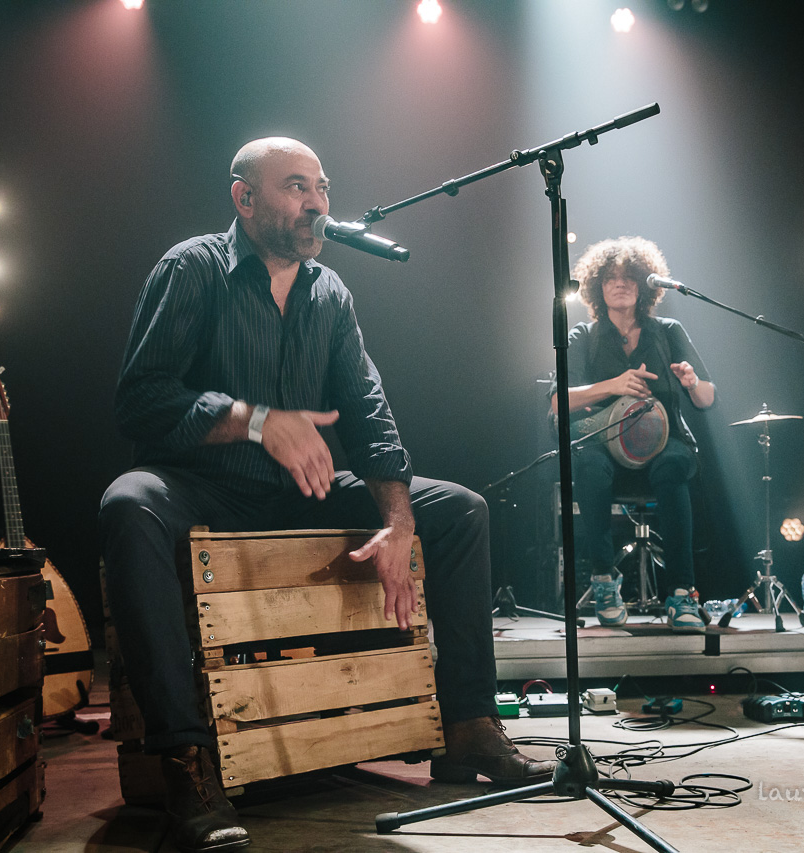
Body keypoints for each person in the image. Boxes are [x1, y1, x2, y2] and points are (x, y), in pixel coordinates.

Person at [100, 137, 555, 853]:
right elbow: (140, 402)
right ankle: (186, 763)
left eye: (322, 188)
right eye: (295, 187)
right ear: (244, 198)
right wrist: (254, 420)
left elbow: (370, 416)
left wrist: (398, 521)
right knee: (127, 504)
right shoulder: (192, 268)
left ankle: (468, 726)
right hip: (200, 488)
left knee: (460, 510)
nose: (316, 203)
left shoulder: (330, 292)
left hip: (294, 493)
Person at [553, 236, 716, 633]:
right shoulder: (583, 336)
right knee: (587, 464)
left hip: (663, 446)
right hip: (606, 449)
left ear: (645, 284)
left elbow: (707, 398)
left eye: (629, 277)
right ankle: (604, 579)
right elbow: (557, 402)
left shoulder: (669, 331)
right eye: (610, 277)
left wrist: (692, 382)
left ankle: (682, 592)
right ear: (598, 286)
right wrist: (613, 385)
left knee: (675, 464)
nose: (620, 283)